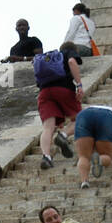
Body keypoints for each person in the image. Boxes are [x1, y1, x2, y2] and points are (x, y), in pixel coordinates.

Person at [35, 42, 84, 170]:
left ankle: (46, 157)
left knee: (47, 128)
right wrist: (79, 85)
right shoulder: (68, 52)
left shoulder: (47, 60)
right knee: (79, 119)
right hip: (64, 89)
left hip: (44, 93)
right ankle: (63, 135)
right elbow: (72, 62)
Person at [74, 104, 112, 186]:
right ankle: (99, 160)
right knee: (107, 156)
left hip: (85, 114)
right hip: (108, 117)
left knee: (83, 156)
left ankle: (84, 181)